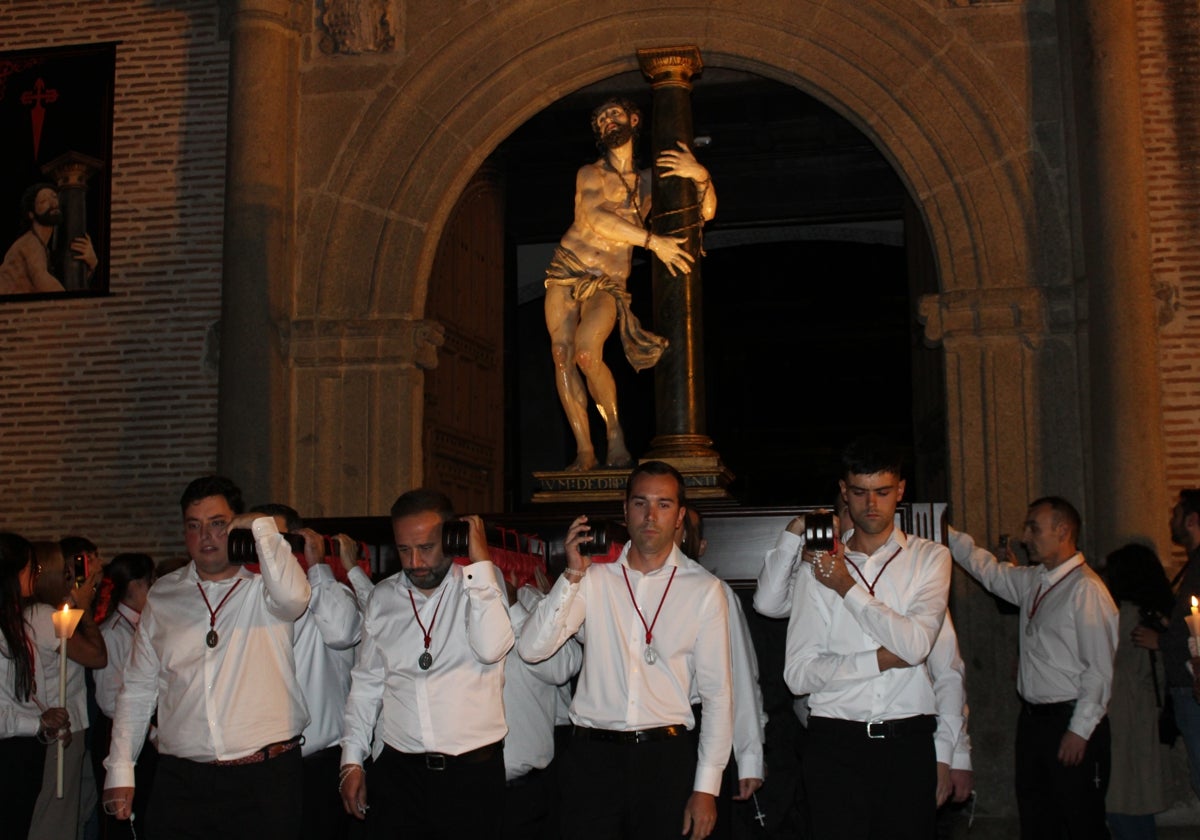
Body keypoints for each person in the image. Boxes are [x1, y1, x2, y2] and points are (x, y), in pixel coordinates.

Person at [519, 460, 733, 840]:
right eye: (640, 503)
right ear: (624, 509)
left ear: (680, 515)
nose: (650, 516)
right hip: (591, 760)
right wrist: (571, 574)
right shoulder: (593, 577)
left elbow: (718, 697)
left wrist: (706, 788)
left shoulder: (704, 589)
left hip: (665, 759)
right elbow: (533, 650)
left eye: (663, 504)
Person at [102, 475, 313, 840]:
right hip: (183, 779)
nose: (206, 537)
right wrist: (120, 768)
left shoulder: (265, 586)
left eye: (217, 524)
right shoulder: (164, 595)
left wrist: (261, 526)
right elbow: (137, 689)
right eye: (194, 526)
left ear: (235, 525)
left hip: (265, 777)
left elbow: (295, 599)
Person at [778, 437, 951, 840]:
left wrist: (846, 587)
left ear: (901, 491)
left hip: (907, 742)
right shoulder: (815, 567)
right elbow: (798, 676)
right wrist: (879, 660)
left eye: (883, 492)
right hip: (834, 743)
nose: (871, 504)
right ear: (844, 492)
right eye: (859, 492)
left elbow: (915, 646)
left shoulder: (929, 558)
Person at [544, 97, 716, 471]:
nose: (608, 120)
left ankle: (615, 435)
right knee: (561, 354)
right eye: (602, 117)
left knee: (587, 354)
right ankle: (585, 450)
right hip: (568, 268)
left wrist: (700, 175)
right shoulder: (590, 174)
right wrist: (653, 243)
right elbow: (595, 217)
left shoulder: (652, 181)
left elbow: (705, 212)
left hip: (608, 281)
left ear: (634, 120)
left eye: (615, 114)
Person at [339, 488, 514, 839]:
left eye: (426, 548)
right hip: (399, 774)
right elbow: (366, 686)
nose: (415, 563)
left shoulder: (480, 588)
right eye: (404, 550)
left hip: (472, 776)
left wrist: (481, 564)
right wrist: (351, 761)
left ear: (452, 539)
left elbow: (492, 648)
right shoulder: (382, 598)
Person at [949, 496, 1118, 840]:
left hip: (1069, 722)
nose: (1025, 537)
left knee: (1080, 821)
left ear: (1063, 530)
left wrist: (1079, 730)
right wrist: (945, 533)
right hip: (1033, 723)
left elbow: (1099, 669)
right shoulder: (1037, 580)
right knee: (1038, 820)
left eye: (1034, 528)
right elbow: (990, 571)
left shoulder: (1086, 589)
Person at [251, 502, 364, 840]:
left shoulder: (327, 592)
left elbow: (343, 631)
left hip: (314, 763)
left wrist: (316, 567)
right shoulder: (248, 597)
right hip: (257, 765)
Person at [676, 507, 767, 839]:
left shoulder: (714, 592)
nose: (678, 534)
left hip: (699, 731)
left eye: (687, 529)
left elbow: (740, 678)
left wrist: (750, 756)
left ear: (700, 544)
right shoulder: (628, 587)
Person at [26, 540, 108, 840]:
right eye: (64, 571)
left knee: (79, 807)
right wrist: (84, 610)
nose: (69, 577)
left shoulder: (51, 612)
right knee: (57, 816)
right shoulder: (43, 616)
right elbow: (96, 656)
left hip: (72, 723)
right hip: (59, 726)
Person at [0, 532, 72, 839]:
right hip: (9, 753)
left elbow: (25, 691)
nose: (38, 575)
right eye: (34, 569)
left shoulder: (16, 622)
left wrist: (49, 718)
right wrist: (37, 723)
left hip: (22, 750)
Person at [501, 576, 583, 840]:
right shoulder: (455, 598)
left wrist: (515, 607)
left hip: (524, 789)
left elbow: (564, 667)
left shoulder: (535, 604)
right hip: (462, 784)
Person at [1103, 543, 1175, 839]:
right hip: (1139, 716)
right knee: (1133, 803)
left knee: (1124, 804)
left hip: (1125, 717)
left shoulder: (1126, 616)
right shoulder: (1156, 615)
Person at [1135, 489, 1200, 803]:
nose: (1170, 521)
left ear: (1192, 521)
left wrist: (1161, 640)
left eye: (1175, 514)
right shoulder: (1193, 566)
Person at [91, 552, 157, 840]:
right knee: (120, 815)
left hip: (144, 731)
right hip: (117, 732)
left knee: (144, 810)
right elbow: (109, 698)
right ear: (137, 585)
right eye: (150, 581)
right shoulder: (113, 633)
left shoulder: (144, 626)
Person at [0, 182, 97, 295]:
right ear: (31, 214)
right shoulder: (29, 243)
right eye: (43, 201)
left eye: (54, 197)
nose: (53, 203)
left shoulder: (43, 248)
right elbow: (45, 283)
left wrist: (92, 264)